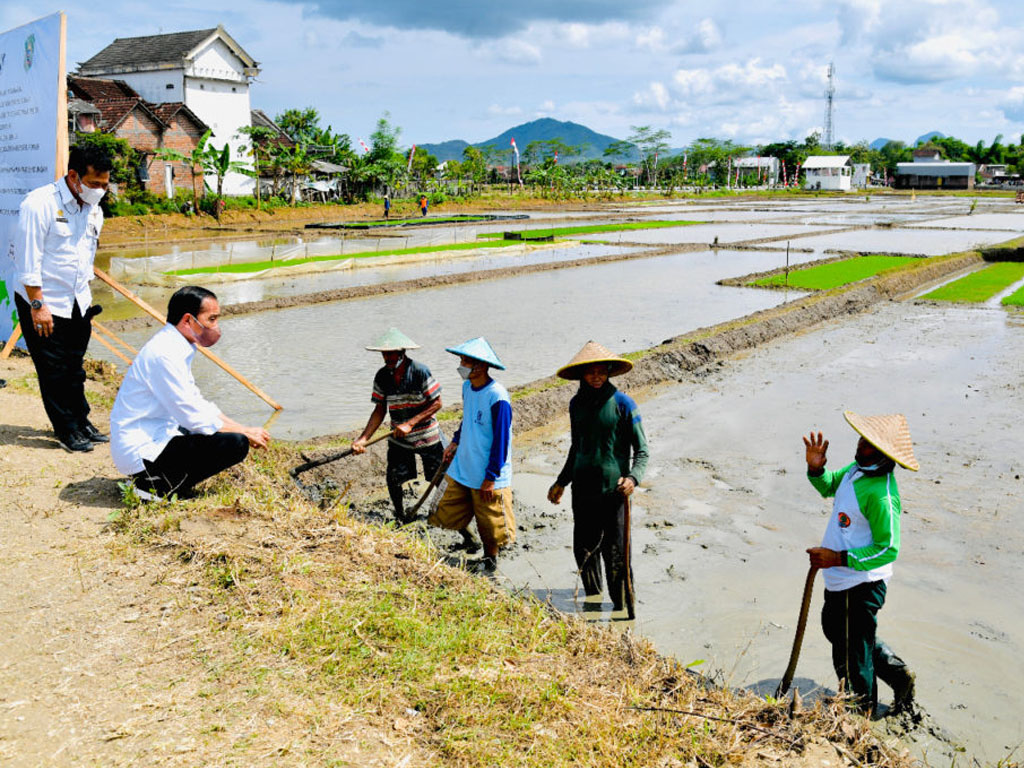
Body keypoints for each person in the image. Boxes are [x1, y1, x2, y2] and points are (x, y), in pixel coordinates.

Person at [803, 411, 917, 716]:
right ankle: (896, 674)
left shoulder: (882, 495)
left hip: (862, 584)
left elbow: (888, 549)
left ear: (883, 455)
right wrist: (816, 469)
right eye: (862, 439)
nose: (860, 445)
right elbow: (829, 486)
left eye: (868, 444)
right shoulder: (857, 470)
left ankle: (859, 715)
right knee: (836, 630)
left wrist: (838, 558)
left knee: (853, 654)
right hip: (839, 576)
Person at [110, 286, 270, 500]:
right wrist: (244, 432)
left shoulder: (176, 346)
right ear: (188, 320)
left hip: (157, 433)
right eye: (211, 319)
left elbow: (197, 403)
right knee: (235, 444)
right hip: (141, 448)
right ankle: (155, 485)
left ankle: (159, 477)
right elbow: (192, 417)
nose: (216, 327)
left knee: (223, 431)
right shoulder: (164, 354)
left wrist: (243, 427)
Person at [11, 144, 112, 452]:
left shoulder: (94, 208)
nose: (100, 190)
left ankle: (81, 420)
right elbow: (28, 260)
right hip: (43, 300)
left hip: (78, 300)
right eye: (94, 183)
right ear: (73, 176)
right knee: (53, 370)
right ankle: (66, 429)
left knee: (74, 366)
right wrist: (38, 306)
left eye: (105, 184)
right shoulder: (39, 204)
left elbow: (83, 254)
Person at [547, 341, 649, 613]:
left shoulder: (623, 404)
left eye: (600, 372)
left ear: (609, 372)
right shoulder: (576, 404)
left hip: (613, 493)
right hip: (583, 491)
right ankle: (593, 600)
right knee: (584, 550)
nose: (595, 377)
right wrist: (561, 482)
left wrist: (633, 479)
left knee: (616, 555)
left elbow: (642, 451)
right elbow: (575, 447)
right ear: (582, 375)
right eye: (590, 372)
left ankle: (623, 610)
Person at [428, 337, 514, 572]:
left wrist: (491, 477)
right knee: (445, 507)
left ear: (482, 366)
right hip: (466, 462)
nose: (462, 365)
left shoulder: (497, 397)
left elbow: (501, 440)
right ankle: (471, 540)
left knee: (490, 521)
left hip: (487, 469)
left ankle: (490, 560)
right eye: (462, 360)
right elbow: (467, 420)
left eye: (467, 361)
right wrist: (455, 441)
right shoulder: (468, 388)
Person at [351, 328, 443, 523]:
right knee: (393, 479)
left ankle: (457, 523)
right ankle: (401, 516)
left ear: (402, 353)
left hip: (427, 436)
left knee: (439, 480)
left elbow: (437, 403)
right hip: (399, 437)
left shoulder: (419, 371)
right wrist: (363, 439)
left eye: (392, 353)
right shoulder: (382, 376)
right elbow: (379, 411)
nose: (387, 357)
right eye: (385, 354)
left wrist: (410, 423)